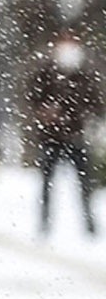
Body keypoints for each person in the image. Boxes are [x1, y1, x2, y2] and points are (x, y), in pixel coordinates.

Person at [28, 31, 102, 237]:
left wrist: (85, 118)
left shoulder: (85, 72)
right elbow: (32, 96)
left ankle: (90, 225)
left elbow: (96, 101)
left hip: (76, 136)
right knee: (46, 184)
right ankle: (44, 224)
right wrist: (45, 112)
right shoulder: (45, 71)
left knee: (85, 183)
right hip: (50, 138)